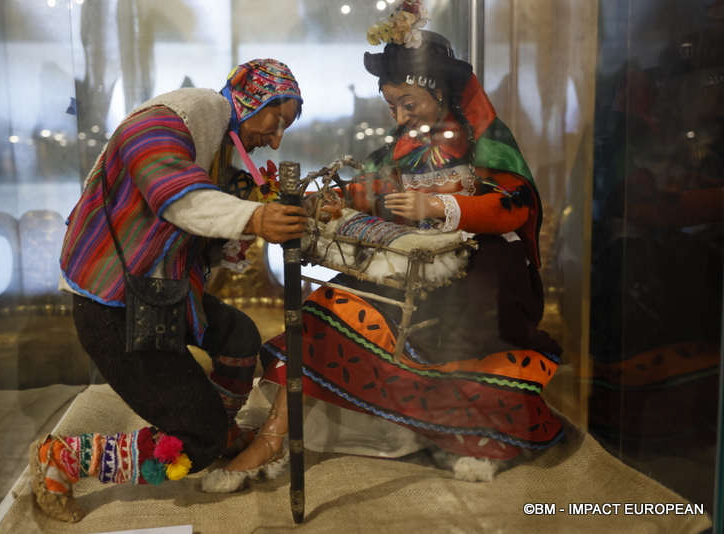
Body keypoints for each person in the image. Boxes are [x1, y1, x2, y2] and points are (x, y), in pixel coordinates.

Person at [202, 5, 563, 494]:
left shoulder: (483, 140)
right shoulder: (399, 148)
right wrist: (336, 200)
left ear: (440, 91)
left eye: (408, 104)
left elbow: (513, 207)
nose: (399, 117)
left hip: (483, 268)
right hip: (407, 261)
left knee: (469, 333)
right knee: (325, 309)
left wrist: (437, 205)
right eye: (392, 105)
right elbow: (370, 190)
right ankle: (272, 438)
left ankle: (476, 436)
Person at [29, 58, 308, 522]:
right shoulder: (161, 124)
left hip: (163, 294)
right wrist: (255, 217)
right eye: (276, 121)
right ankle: (64, 459)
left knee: (239, 336)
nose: (276, 139)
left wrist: (262, 213)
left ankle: (220, 426)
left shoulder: (215, 143)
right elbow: (174, 195)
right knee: (198, 438)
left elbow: (209, 211)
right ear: (249, 100)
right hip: (114, 305)